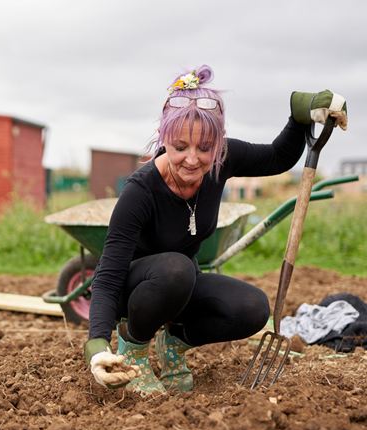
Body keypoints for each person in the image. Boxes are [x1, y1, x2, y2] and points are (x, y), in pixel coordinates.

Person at [83, 65, 348, 396]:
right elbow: (107, 276)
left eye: (205, 148)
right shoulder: (141, 191)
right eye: (180, 147)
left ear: (217, 144)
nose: (192, 159)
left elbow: (278, 157)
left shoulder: (223, 159)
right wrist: (96, 348)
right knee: (176, 268)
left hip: (181, 283)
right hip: (133, 292)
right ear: (164, 139)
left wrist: (299, 112)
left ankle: (172, 344)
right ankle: (133, 349)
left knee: (252, 308)